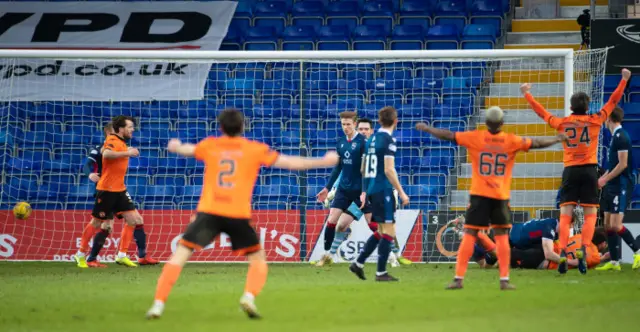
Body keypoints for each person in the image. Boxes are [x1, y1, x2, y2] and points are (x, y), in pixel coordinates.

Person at [146, 109, 338, 320]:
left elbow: (187, 149)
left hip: (209, 212)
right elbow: (291, 163)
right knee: (257, 260)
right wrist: (323, 161)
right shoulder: (253, 149)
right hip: (237, 214)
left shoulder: (211, 145)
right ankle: (248, 296)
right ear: (243, 127)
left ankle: (157, 304)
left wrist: (176, 146)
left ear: (221, 128)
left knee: (180, 255)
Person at [416, 106, 566, 290]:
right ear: (502, 123)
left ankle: (458, 278)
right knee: (502, 238)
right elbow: (535, 142)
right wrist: (556, 139)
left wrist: (428, 128)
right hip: (500, 197)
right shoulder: (510, 140)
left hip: (479, 196)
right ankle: (504, 280)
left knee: (470, 235)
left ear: (486, 123)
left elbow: (448, 135)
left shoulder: (475, 137)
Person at [521, 68, 630, 275]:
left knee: (565, 216)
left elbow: (542, 113)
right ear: (588, 106)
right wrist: (624, 80)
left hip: (570, 171)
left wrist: (527, 93)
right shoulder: (596, 120)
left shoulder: (562, 123)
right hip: (589, 171)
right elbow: (613, 101)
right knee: (590, 216)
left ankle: (562, 250)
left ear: (571, 107)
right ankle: (584, 247)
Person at [321, 118, 412, 266]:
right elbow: (345, 171)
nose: (363, 132)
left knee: (380, 226)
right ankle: (329, 257)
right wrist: (333, 189)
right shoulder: (354, 148)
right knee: (341, 225)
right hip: (356, 194)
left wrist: (393, 190)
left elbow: (387, 171)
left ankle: (395, 255)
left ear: (371, 131)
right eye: (361, 129)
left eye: (366, 129)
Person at [348, 106, 409, 282]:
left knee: (382, 231)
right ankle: (381, 272)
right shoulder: (388, 139)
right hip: (383, 189)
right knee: (389, 230)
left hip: (373, 189)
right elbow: (389, 170)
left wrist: (366, 190)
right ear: (396, 121)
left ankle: (358, 263)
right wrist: (402, 192)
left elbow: (362, 168)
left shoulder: (371, 140)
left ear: (380, 121)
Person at [88, 115, 154, 268]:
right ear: (121, 128)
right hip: (107, 190)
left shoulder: (121, 143)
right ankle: (90, 258)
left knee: (136, 220)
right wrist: (127, 153)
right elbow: (107, 154)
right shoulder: (112, 139)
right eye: (130, 127)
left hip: (119, 189)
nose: (133, 129)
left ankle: (141, 256)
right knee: (101, 224)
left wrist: (127, 150)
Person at [315, 111, 368, 267]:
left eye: (348, 124)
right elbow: (338, 168)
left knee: (349, 225)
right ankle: (325, 256)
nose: (345, 127)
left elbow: (365, 170)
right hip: (343, 190)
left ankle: (392, 254)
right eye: (343, 124)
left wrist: (365, 192)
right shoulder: (340, 142)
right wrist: (327, 188)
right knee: (332, 222)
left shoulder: (363, 143)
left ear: (355, 124)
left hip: (359, 192)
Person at [596, 106, 640, 271]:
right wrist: (603, 178)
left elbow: (623, 164)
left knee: (615, 225)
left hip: (621, 184)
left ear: (609, 119)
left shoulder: (622, 136)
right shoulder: (614, 137)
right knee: (607, 224)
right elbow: (613, 164)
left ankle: (638, 252)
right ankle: (615, 262)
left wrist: (605, 179)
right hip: (611, 184)